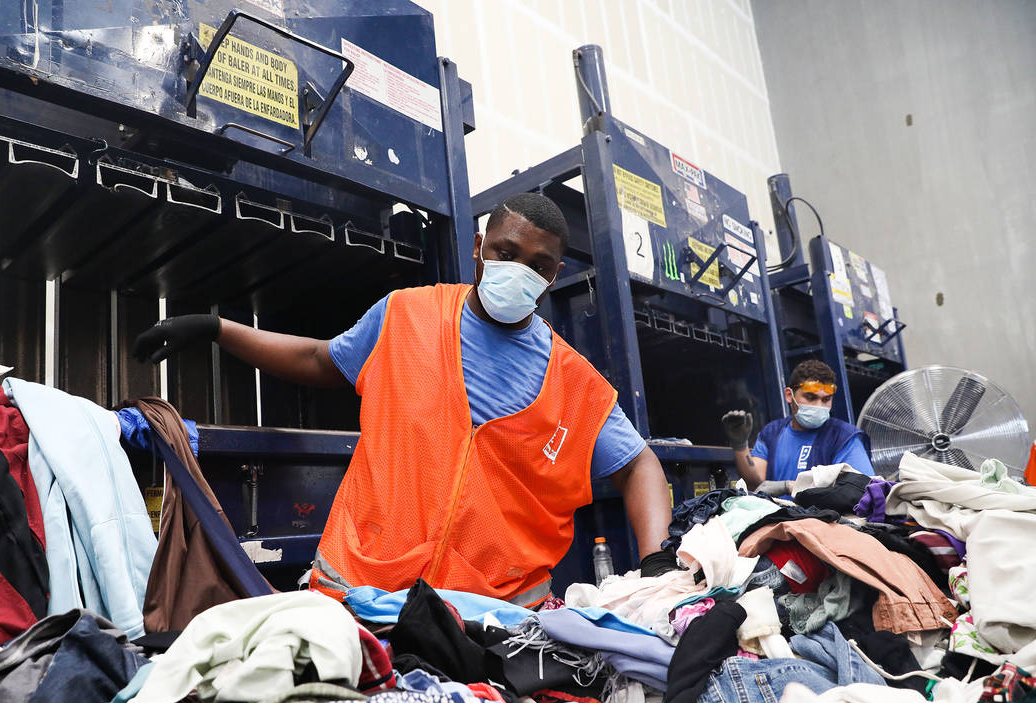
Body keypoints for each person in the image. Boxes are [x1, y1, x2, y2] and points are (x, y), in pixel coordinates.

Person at [132, 193, 676, 605]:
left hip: (490, 622)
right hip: (364, 600)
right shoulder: (405, 315)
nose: (518, 269)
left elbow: (639, 464)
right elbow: (318, 359)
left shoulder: (573, 381)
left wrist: (655, 559)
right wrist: (216, 328)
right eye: (506, 252)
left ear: (554, 275)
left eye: (536, 264)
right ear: (479, 249)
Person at [722, 359, 873, 495]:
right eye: (811, 397)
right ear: (789, 395)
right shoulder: (772, 433)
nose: (819, 406)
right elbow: (756, 483)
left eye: (826, 399)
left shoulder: (843, 438)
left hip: (822, 524)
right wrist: (740, 446)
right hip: (778, 522)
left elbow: (861, 490)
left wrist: (790, 487)